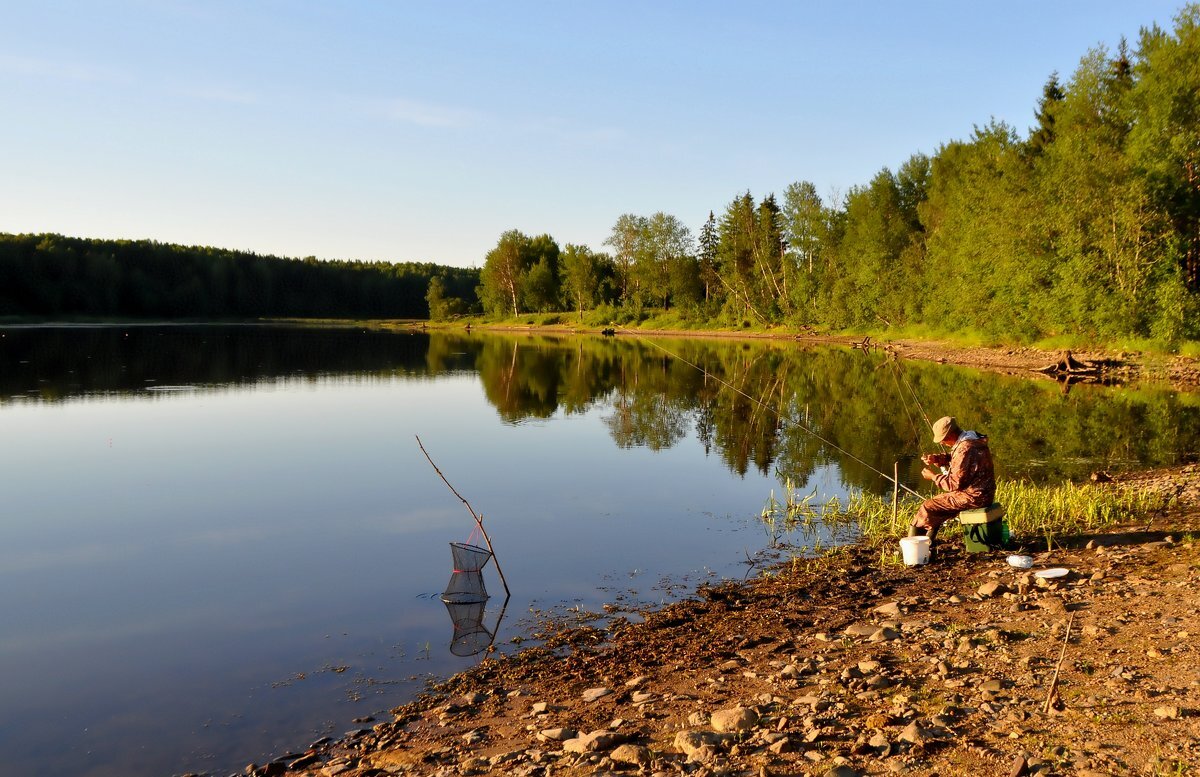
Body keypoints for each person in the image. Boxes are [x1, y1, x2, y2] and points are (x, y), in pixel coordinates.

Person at [909, 416, 996, 547]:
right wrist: (937, 459)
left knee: (928, 507)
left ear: (951, 434)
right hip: (984, 492)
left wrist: (933, 476)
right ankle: (927, 544)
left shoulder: (964, 448)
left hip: (974, 497)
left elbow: (953, 484)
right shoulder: (972, 439)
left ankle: (913, 547)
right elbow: (959, 460)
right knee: (937, 504)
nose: (942, 443)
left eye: (943, 440)